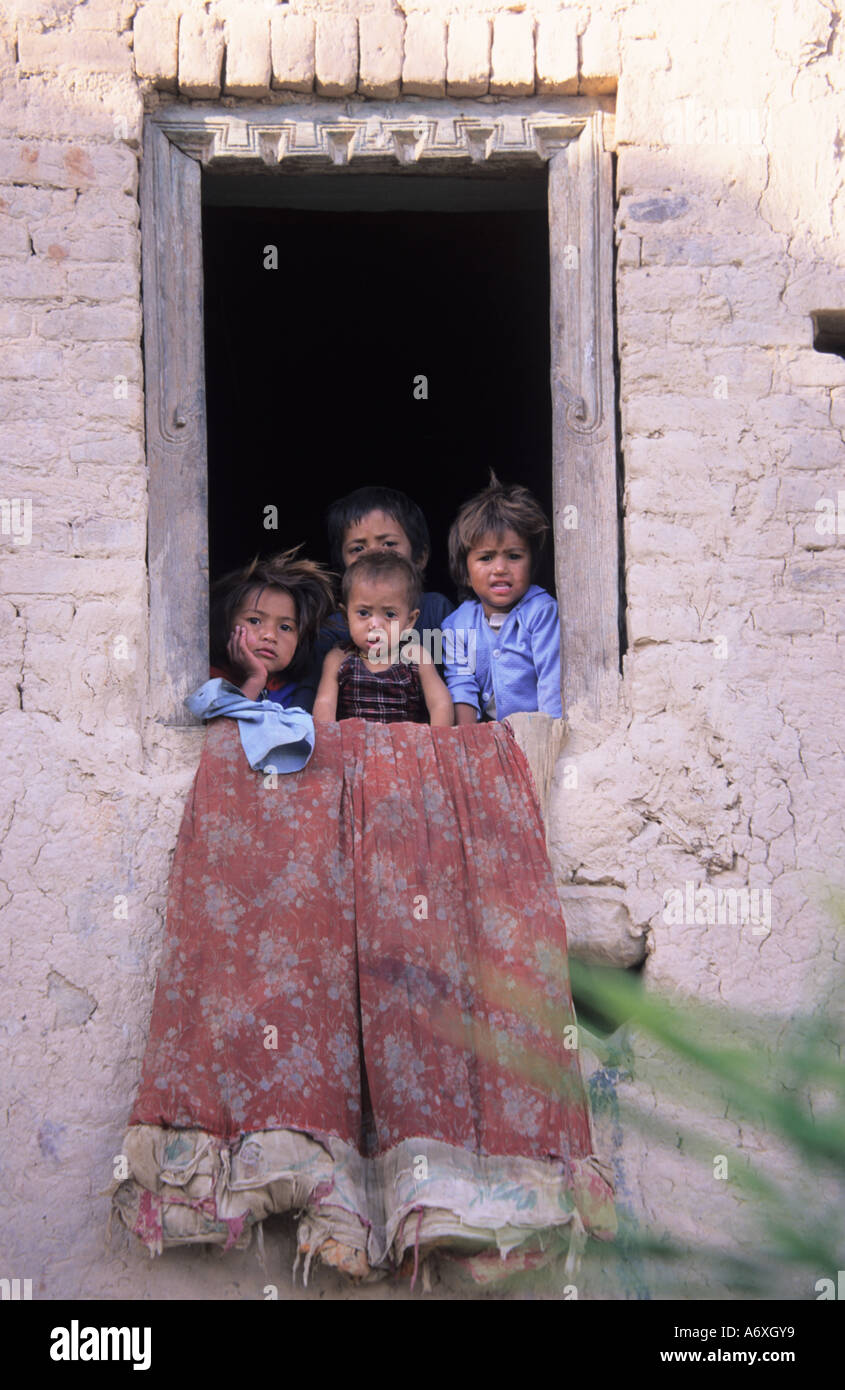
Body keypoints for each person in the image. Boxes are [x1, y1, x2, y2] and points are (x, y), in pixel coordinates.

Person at [441, 475, 563, 724]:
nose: (500, 568)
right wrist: (468, 741)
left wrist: (549, 737)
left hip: (537, 734)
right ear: (465, 572)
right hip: (489, 739)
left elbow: (552, 679)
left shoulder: (542, 612)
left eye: (514, 556)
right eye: (486, 558)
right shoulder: (457, 624)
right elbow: (461, 685)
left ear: (533, 564)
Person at [309, 486, 454, 681]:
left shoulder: (436, 611)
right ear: (343, 568)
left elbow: (459, 684)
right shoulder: (334, 629)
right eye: (358, 548)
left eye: (388, 544)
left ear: (420, 558)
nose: (375, 556)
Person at [313, 551, 454, 727]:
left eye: (389, 614)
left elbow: (440, 703)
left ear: (409, 621)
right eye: (364, 613)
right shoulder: (338, 658)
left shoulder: (416, 656)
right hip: (353, 749)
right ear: (346, 616)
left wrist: (435, 743)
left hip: (407, 749)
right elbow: (324, 704)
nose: (375, 624)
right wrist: (330, 741)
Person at [208, 548, 334, 707]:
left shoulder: (301, 694)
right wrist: (255, 679)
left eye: (286, 627)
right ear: (226, 623)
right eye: (254, 620)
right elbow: (225, 729)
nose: (270, 635)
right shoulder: (210, 684)